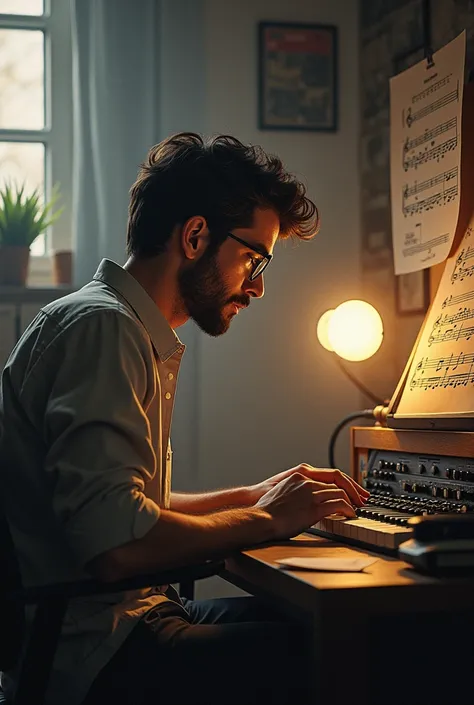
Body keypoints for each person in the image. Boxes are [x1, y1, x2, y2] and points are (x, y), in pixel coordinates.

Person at [0, 132, 369, 705]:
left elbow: (129, 508)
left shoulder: (115, 325)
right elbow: (115, 543)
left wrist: (254, 495)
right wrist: (267, 520)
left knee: (324, 629)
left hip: (127, 619)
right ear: (196, 236)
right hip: (94, 655)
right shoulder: (104, 330)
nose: (259, 285)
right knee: (348, 652)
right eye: (253, 257)